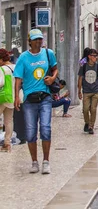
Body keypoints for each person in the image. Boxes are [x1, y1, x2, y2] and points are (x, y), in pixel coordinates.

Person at [14, 29, 59, 174]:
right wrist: (16, 96)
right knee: (30, 131)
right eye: (36, 39)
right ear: (30, 41)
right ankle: (34, 161)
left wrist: (52, 78)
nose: (39, 41)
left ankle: (46, 161)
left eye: (40, 39)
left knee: (45, 128)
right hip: (29, 99)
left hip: (45, 97)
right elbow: (18, 79)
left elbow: (55, 69)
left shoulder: (48, 53)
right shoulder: (23, 58)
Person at [77, 48, 98, 135]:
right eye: (94, 56)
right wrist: (79, 91)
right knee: (85, 109)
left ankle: (91, 126)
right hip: (86, 91)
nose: (95, 57)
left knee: (93, 109)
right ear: (89, 56)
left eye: (96, 56)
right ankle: (87, 122)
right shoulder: (84, 67)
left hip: (95, 91)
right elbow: (80, 78)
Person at [0, 49, 15, 152]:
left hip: (3, 97)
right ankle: (7, 143)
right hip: (12, 98)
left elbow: (0, 83)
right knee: (8, 121)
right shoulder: (15, 67)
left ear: (1, 59)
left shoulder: (2, 69)